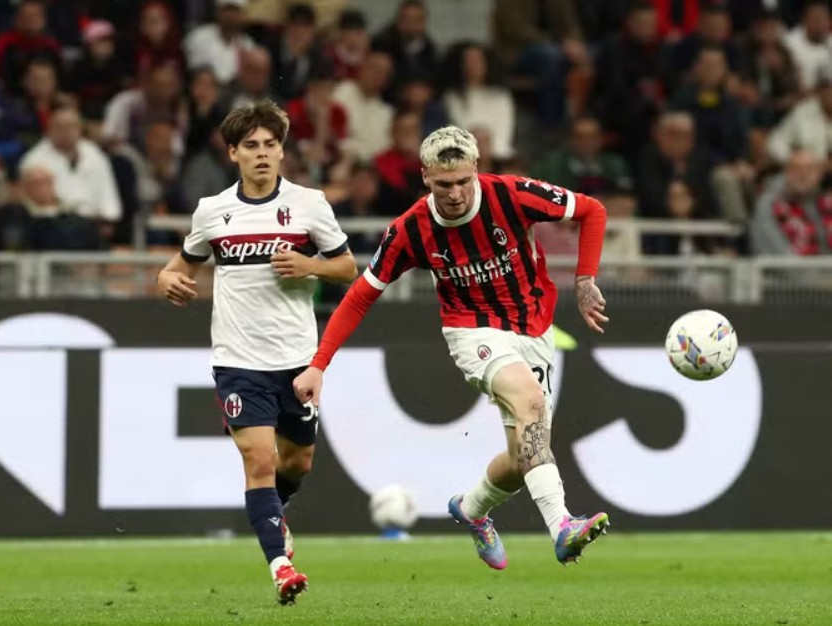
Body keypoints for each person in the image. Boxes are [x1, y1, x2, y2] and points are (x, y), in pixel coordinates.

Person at [293, 126, 611, 568]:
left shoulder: (511, 195)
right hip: (472, 330)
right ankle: (562, 526)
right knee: (530, 401)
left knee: (523, 456)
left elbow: (592, 210)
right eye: (444, 185)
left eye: (463, 181)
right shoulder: (410, 230)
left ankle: (471, 509)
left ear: (476, 169)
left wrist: (585, 279)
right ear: (425, 176)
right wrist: (318, 364)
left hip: (534, 328)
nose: (456, 193)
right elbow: (361, 295)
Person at [156, 100, 357, 603]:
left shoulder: (309, 204)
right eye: (251, 146)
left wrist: (310, 266)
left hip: (298, 360)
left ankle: (273, 513)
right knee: (259, 459)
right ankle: (281, 567)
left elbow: (347, 268)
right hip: (238, 361)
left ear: (282, 151)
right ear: (233, 153)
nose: (262, 153)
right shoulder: (213, 211)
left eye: (271, 145)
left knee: (298, 462)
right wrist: (166, 279)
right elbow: (180, 265)